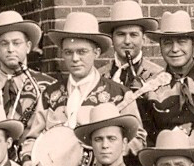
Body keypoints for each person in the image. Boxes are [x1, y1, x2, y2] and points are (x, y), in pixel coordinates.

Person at [42, 11, 139, 146]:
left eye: (82, 52)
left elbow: (138, 138)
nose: (75, 59)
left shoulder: (120, 94)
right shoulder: (49, 94)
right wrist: (28, 157)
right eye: (68, 52)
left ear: (96, 53)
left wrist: (111, 152)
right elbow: (33, 137)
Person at [0, 11, 55, 150]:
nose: (10, 49)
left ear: (28, 47)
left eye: (16, 43)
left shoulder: (48, 86)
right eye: (4, 44)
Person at [134, 10, 194, 146]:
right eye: (168, 43)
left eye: (182, 41)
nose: (175, 49)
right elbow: (148, 138)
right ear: (160, 46)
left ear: (192, 44)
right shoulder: (149, 87)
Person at [101, 0, 162, 97]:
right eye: (121, 34)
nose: (127, 41)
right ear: (112, 38)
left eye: (133, 35)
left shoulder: (158, 75)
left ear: (143, 39)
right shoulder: (99, 76)